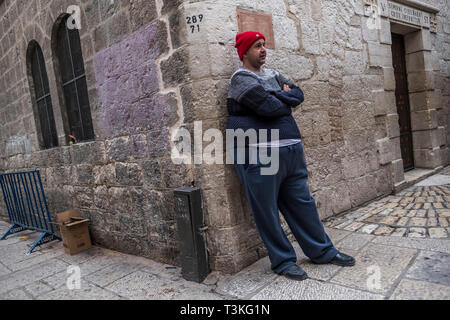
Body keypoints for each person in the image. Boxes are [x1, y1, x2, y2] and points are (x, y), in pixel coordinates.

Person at [227, 31, 355, 281]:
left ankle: (322, 251)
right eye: (256, 46)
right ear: (244, 52)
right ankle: (283, 261)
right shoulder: (240, 78)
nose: (263, 50)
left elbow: (299, 94)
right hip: (261, 153)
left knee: (303, 203)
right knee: (266, 211)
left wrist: (278, 96)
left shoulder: (273, 74)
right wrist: (282, 98)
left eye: (263, 45)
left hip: (291, 150)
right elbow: (268, 107)